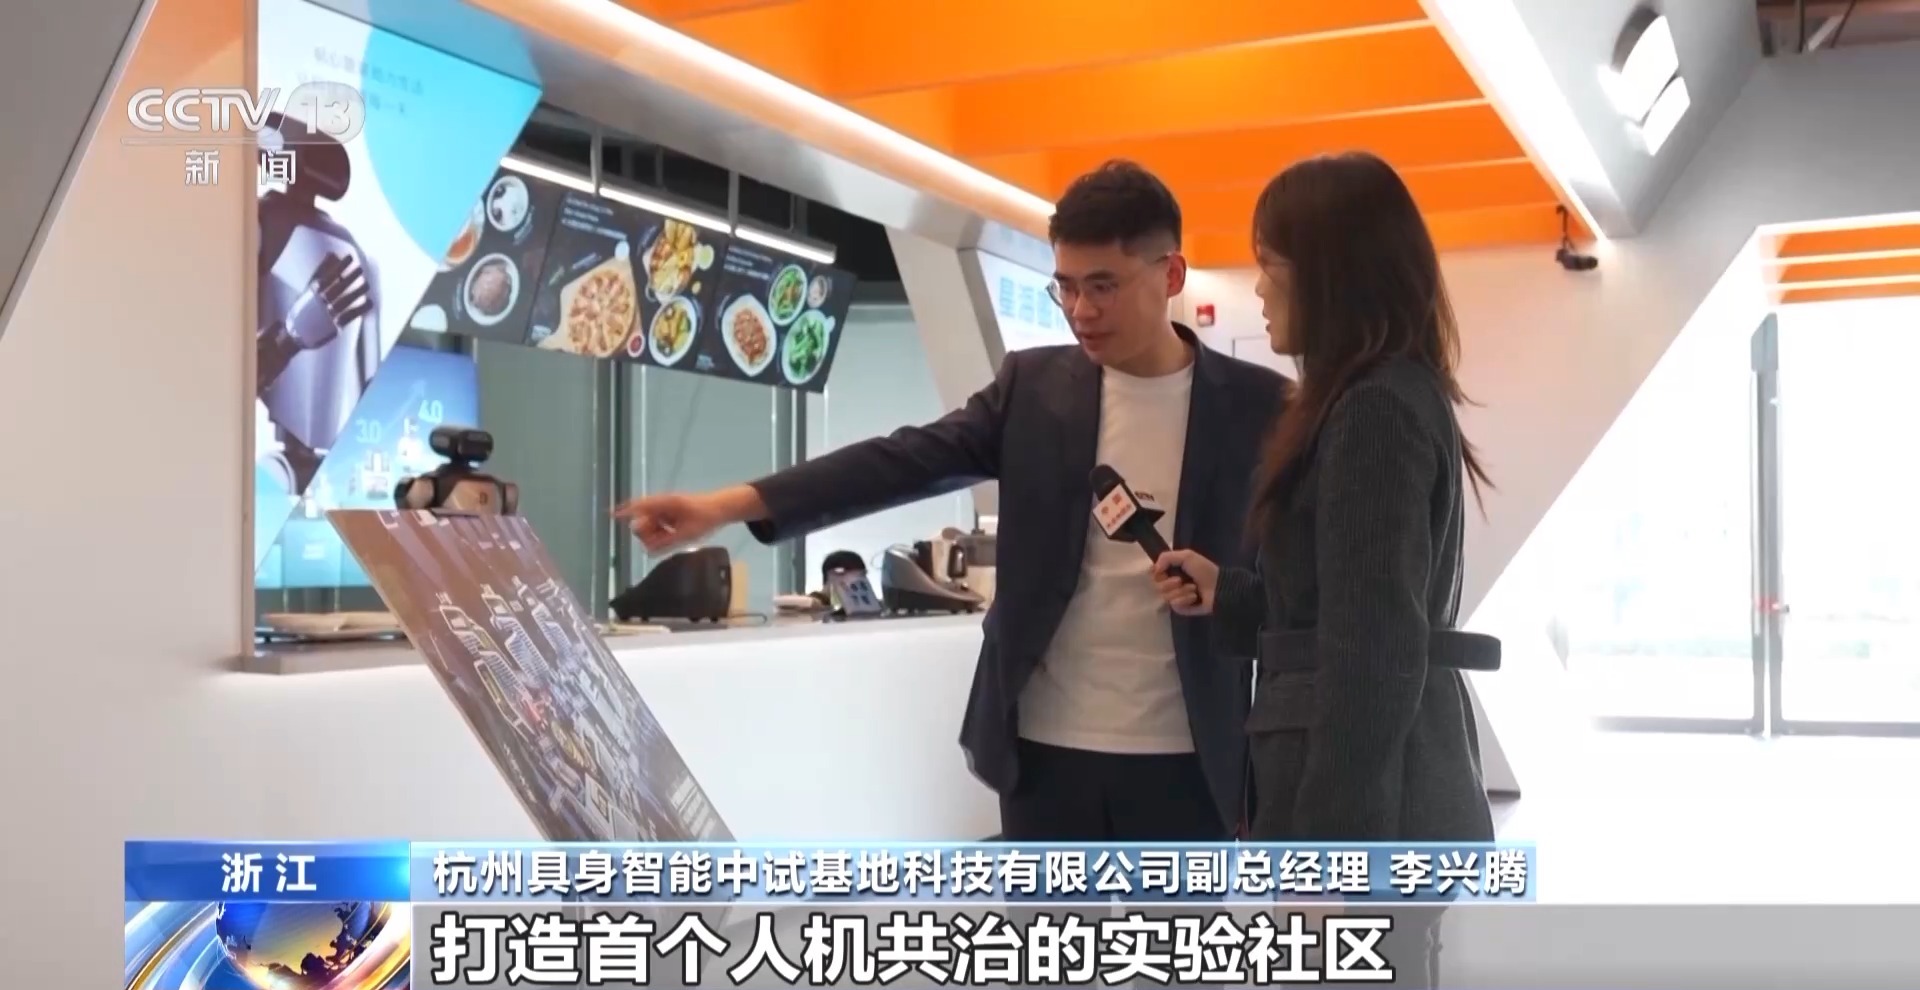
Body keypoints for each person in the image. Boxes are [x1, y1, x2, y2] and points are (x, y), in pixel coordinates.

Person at [614, 161, 1287, 842]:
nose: (1081, 310)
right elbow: (901, 461)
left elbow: (1300, 588)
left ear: (1171, 275)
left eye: (1104, 286)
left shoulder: (1258, 409)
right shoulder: (1035, 388)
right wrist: (728, 505)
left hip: (1189, 755)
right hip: (1043, 751)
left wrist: (1231, 595)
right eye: (1066, 286)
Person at [1150, 152, 1498, 987]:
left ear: (1331, 274)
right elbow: (1340, 612)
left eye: (1271, 266)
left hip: (1367, 812)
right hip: (1380, 797)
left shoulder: (1372, 410)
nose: (1260, 289)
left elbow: (1373, 652)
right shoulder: (1380, 397)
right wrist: (1232, 596)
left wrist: (1327, 858)